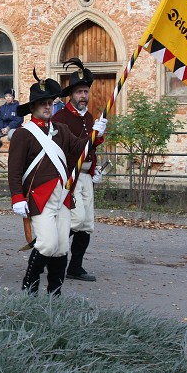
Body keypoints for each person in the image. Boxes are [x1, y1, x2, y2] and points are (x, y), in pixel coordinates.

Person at [8, 71, 106, 295]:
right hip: (39, 198)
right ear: (33, 107)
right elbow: (14, 170)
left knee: (62, 248)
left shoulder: (60, 130)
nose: (47, 107)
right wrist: (17, 197)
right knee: (47, 244)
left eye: (50, 103)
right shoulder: (24, 134)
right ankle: (29, 289)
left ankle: (55, 294)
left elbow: (79, 148)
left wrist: (95, 135)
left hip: (62, 196)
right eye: (42, 104)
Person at [52, 58, 106, 282]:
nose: (83, 96)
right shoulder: (59, 118)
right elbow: (62, 150)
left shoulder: (90, 117)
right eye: (79, 92)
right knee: (75, 221)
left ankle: (75, 266)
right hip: (69, 178)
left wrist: (94, 169)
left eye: (86, 91)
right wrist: (93, 135)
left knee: (86, 225)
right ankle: (51, 251)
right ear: (71, 94)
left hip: (85, 177)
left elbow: (89, 149)